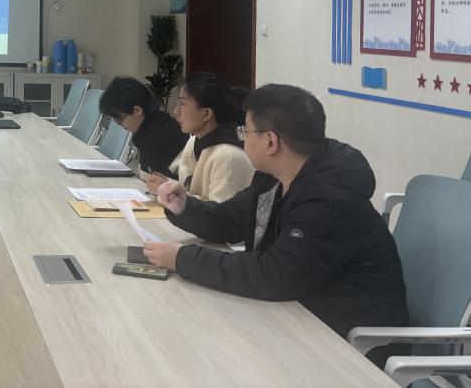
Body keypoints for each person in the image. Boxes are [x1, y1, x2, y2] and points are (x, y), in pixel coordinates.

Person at [142, 84, 408, 339]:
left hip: (345, 338)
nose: (242, 138)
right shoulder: (274, 176)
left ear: (270, 142)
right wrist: (184, 207)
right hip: (296, 314)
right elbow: (230, 219)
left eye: (246, 132)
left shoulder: (329, 200)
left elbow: (277, 274)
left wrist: (183, 259)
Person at [148, 72, 254, 202]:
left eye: (181, 104)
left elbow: (220, 211)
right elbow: (192, 192)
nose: (176, 111)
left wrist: (171, 194)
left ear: (206, 113)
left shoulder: (227, 157)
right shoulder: (194, 141)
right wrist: (168, 185)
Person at [99, 76, 186, 177]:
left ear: (137, 110)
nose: (119, 124)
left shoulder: (156, 140)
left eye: (120, 119)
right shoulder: (160, 123)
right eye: (115, 120)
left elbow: (149, 183)